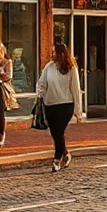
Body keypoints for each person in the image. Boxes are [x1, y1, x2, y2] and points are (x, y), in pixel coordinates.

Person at [37, 43, 83, 172]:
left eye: (54, 52)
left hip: (66, 105)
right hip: (50, 105)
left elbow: (76, 89)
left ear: (61, 54)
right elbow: (42, 83)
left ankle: (56, 160)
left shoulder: (71, 68)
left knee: (58, 131)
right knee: (55, 133)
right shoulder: (49, 67)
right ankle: (66, 153)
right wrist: (40, 95)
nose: (52, 54)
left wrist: (78, 110)